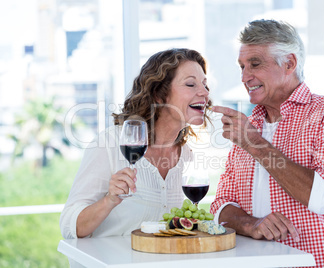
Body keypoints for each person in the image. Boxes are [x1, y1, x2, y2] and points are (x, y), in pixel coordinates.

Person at [210, 19, 324, 268]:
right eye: (242, 67)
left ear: (289, 63)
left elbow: (322, 198)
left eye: (255, 64)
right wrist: (250, 223)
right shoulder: (250, 125)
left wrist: (254, 143)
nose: (245, 77)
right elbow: (220, 206)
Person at [60, 48, 212, 239]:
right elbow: (69, 227)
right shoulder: (110, 144)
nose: (204, 93)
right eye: (190, 84)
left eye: (205, 85)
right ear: (159, 94)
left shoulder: (186, 155)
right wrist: (109, 200)